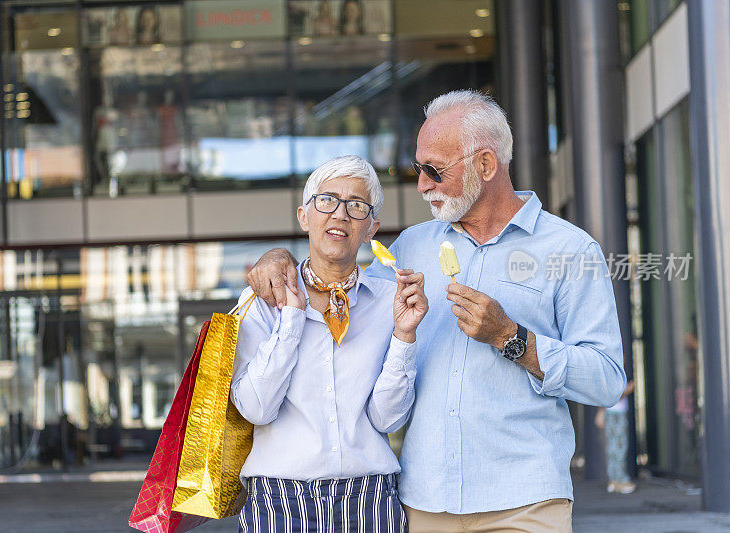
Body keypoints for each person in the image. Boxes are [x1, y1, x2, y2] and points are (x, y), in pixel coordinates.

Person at [245, 90, 627, 532]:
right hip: (425, 503)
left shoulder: (570, 250)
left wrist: (511, 338)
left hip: (525, 501)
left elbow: (606, 381)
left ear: (485, 166)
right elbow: (337, 286)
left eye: (434, 170)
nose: (422, 184)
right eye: (418, 169)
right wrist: (279, 260)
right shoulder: (410, 247)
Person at [232, 155, 429, 533]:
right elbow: (256, 408)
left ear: (371, 227)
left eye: (356, 206)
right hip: (279, 500)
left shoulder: (391, 302)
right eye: (327, 200)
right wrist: (291, 319)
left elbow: (388, 419)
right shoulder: (261, 300)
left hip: (371, 498)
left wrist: (404, 335)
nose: (340, 214)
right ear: (305, 216)